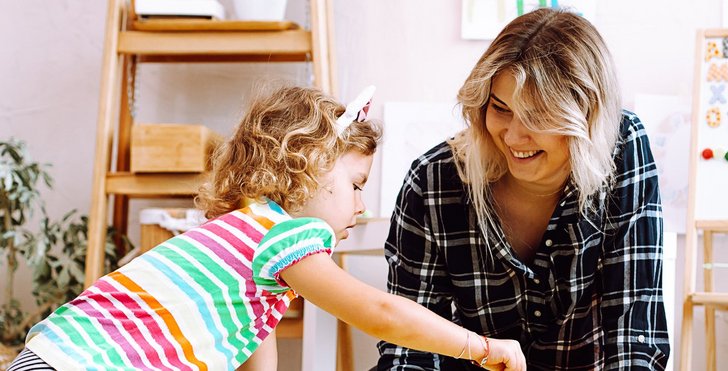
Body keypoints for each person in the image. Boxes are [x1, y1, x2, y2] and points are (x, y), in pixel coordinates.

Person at [9, 86, 525, 371]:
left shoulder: (249, 245)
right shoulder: (287, 235)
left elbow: (259, 359)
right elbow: (380, 311)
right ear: (307, 167)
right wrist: (479, 346)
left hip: (50, 353)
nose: (362, 207)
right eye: (356, 184)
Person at [377, 8, 669, 370]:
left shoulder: (622, 145)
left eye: (538, 116)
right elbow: (409, 348)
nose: (514, 137)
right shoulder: (433, 180)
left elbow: (632, 336)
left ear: (588, 117)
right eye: (500, 109)